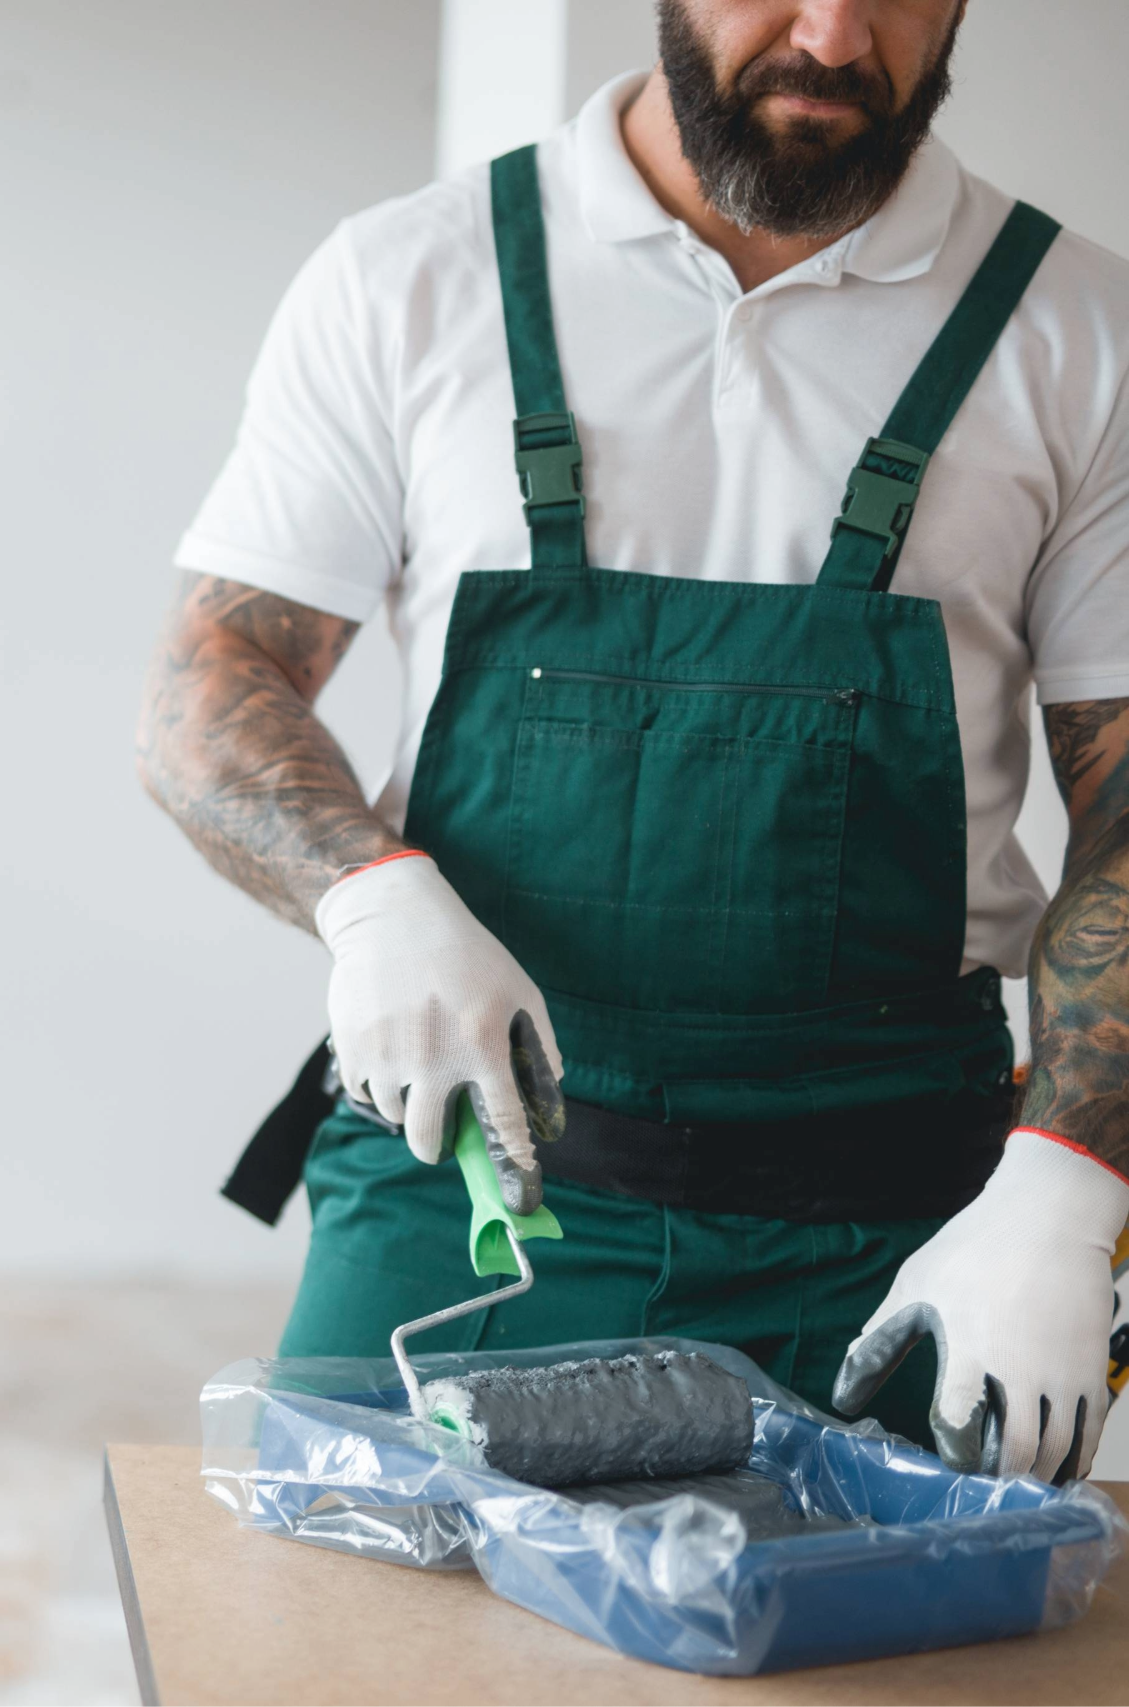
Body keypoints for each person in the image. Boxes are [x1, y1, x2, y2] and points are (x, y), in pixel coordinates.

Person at [141, 0, 1129, 1482]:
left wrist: (1067, 1183)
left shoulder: (1081, 332)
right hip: (466, 1194)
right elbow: (212, 673)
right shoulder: (414, 277)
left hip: (906, 1228)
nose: (838, 35)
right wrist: (372, 896)